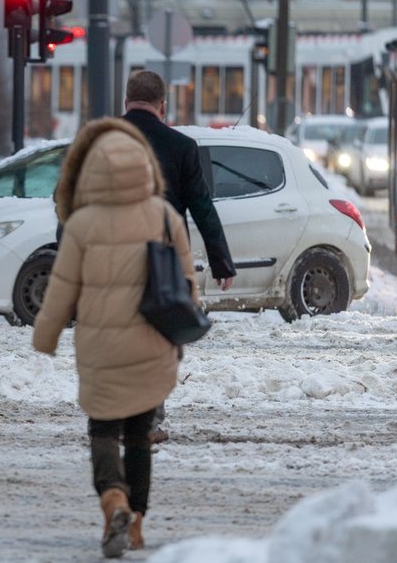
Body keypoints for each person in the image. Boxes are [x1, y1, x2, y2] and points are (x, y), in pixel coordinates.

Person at [32, 117, 194, 558]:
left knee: (103, 429)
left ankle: (113, 500)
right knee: (140, 435)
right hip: (154, 340)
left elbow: (61, 288)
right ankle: (136, 523)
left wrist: (44, 337)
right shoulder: (165, 215)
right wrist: (182, 333)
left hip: (101, 347)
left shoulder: (83, 223)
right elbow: (185, 279)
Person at [122, 70, 235, 443]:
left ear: (125, 102)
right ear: (162, 106)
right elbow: (202, 206)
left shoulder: (99, 141)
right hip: (163, 262)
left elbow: (67, 200)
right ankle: (150, 419)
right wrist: (221, 261)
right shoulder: (181, 147)